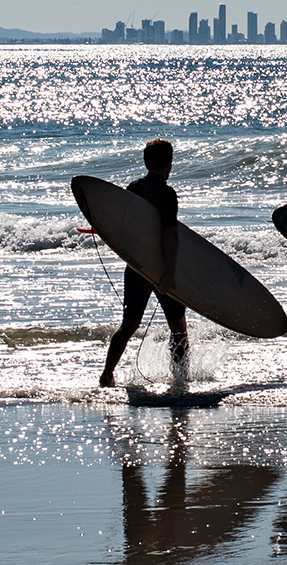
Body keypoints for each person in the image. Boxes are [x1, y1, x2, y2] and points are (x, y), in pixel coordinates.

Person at [100, 138, 191, 387]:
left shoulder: (133, 188)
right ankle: (180, 382)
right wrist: (170, 273)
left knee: (129, 325)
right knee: (178, 330)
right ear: (167, 164)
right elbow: (170, 235)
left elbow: (124, 229)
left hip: (137, 266)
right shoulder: (167, 193)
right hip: (161, 267)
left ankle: (107, 375)